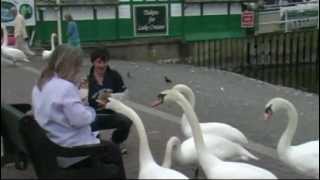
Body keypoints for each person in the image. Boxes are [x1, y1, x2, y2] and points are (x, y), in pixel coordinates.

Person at [31, 44, 126, 177]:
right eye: (78, 66)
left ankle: (99, 165)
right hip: (68, 147)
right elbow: (80, 120)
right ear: (71, 66)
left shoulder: (41, 83)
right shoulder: (65, 87)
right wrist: (90, 111)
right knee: (113, 150)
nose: (80, 70)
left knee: (103, 145)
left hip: (52, 139)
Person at [85, 47, 132, 154]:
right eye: (99, 62)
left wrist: (111, 96)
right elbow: (82, 102)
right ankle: (95, 146)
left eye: (105, 61)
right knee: (90, 125)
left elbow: (125, 94)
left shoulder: (114, 75)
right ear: (93, 62)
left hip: (111, 113)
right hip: (94, 115)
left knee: (127, 120)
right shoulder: (86, 80)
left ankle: (115, 142)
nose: (102, 65)